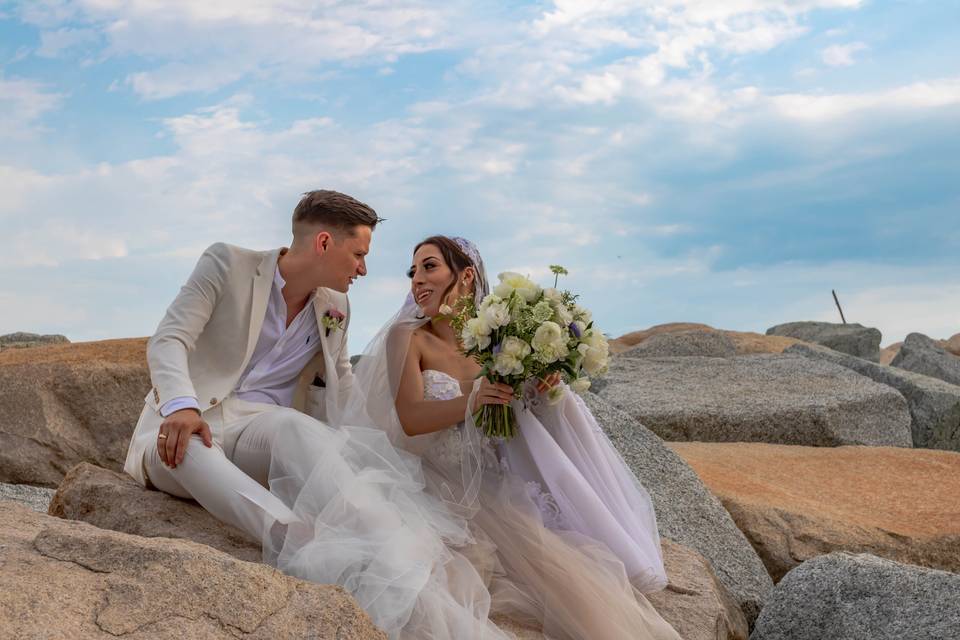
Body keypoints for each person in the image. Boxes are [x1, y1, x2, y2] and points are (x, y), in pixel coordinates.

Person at [122, 192, 511, 640]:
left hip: (259, 429)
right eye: (359, 254)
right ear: (324, 242)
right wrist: (181, 407)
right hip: (185, 427)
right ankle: (295, 541)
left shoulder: (336, 309)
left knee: (295, 427)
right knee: (186, 449)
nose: (363, 269)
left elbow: (344, 389)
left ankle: (393, 551)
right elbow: (169, 339)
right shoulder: (227, 263)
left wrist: (379, 457)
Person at [339, 235, 681, 640]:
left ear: (466, 276)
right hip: (432, 482)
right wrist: (474, 398)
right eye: (413, 271)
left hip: (494, 484)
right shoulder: (409, 337)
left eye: (429, 267)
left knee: (575, 583)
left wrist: (539, 386)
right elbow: (411, 417)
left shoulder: (496, 344)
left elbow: (513, 423)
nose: (417, 280)